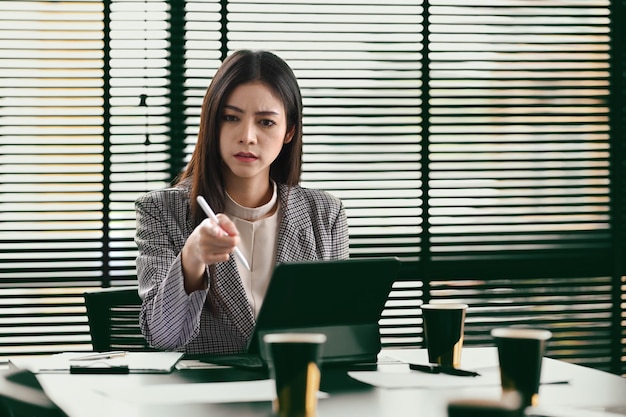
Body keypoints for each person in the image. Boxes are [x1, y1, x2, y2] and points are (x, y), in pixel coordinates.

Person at [134, 50, 350, 355]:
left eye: (265, 122)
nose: (247, 136)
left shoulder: (325, 215)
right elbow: (163, 337)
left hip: (297, 385)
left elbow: (342, 330)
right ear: (212, 123)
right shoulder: (162, 211)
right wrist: (192, 257)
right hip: (205, 394)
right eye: (231, 118)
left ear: (289, 131)